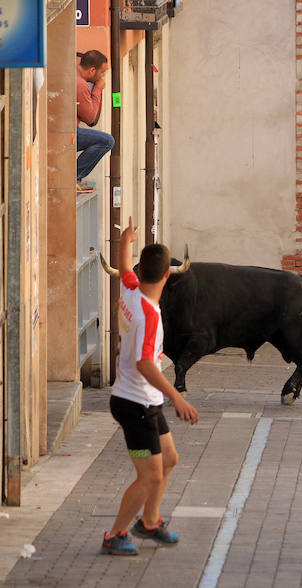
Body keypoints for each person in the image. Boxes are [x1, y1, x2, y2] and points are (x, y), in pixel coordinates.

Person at [102, 217, 199, 556]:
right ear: (168, 275)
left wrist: (126, 240)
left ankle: (150, 521)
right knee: (150, 477)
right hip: (135, 406)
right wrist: (177, 397)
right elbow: (145, 364)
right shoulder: (149, 315)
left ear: (141, 271)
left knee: (169, 459)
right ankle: (115, 534)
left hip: (146, 402)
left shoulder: (130, 289)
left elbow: (123, 267)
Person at [76, 50, 114, 193]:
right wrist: (97, 89)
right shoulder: (81, 85)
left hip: (62, 130)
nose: (102, 76)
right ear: (92, 70)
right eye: (102, 72)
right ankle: (74, 177)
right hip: (68, 133)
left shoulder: (74, 75)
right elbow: (90, 118)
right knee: (107, 141)